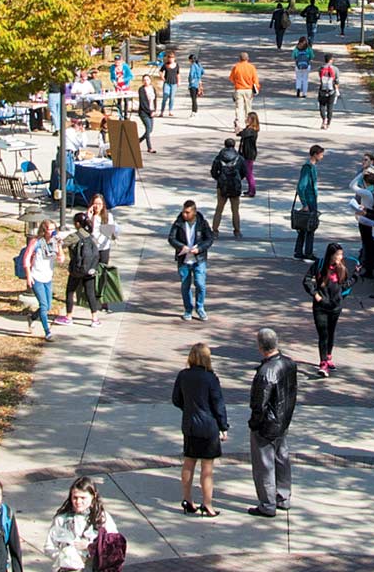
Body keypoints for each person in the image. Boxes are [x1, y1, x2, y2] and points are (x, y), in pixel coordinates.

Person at [172, 342, 230, 518]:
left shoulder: (183, 375)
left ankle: (187, 499)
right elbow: (218, 404)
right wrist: (223, 426)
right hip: (208, 426)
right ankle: (207, 503)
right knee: (207, 467)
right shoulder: (210, 378)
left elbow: (176, 399)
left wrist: (188, 409)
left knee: (189, 461)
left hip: (189, 424)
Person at [248, 328, 298, 517]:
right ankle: (283, 497)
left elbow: (259, 404)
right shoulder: (289, 364)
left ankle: (267, 504)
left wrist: (255, 423)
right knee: (281, 459)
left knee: (264, 465)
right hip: (283, 421)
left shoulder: (266, 372)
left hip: (267, 425)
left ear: (261, 347)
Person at [303, 242, 360, 376]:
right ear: (332, 255)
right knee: (323, 335)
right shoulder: (320, 265)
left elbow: (344, 286)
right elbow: (306, 280)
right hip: (320, 306)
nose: (341, 257)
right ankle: (323, 363)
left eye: (341, 254)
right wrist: (316, 295)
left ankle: (328, 356)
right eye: (338, 254)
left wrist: (355, 276)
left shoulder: (342, 268)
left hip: (335, 307)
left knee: (331, 332)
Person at [43, 477, 118, 572]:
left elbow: (115, 545)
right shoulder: (61, 519)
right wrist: (64, 556)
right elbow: (49, 546)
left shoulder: (102, 518)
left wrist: (90, 546)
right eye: (75, 497)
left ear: (93, 496)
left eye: (83, 498)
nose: (78, 502)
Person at [167, 200, 214, 321]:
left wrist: (199, 249)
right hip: (184, 259)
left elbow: (209, 239)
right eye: (183, 212)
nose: (184, 214)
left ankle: (200, 308)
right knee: (185, 285)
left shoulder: (202, 223)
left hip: (199, 259)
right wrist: (181, 247)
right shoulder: (178, 223)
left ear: (194, 212)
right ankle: (188, 309)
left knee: (200, 284)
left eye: (187, 212)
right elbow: (171, 238)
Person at [24, 219, 65, 342]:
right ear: (44, 230)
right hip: (36, 276)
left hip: (48, 277)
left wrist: (59, 246)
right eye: (49, 229)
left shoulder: (54, 242)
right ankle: (47, 332)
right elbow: (26, 259)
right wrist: (28, 276)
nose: (51, 232)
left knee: (48, 306)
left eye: (54, 229)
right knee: (43, 305)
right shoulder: (36, 242)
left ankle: (32, 317)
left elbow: (61, 259)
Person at [58, 212, 101, 327]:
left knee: (70, 291)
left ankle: (68, 317)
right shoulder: (91, 236)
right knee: (90, 293)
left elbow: (61, 244)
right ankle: (94, 319)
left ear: (77, 224)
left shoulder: (74, 236)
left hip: (76, 269)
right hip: (90, 269)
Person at [210, 138, 247, 239]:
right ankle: (237, 231)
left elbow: (213, 171)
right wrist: (238, 179)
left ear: (225, 145)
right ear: (234, 145)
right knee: (235, 210)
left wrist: (219, 179)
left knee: (219, 209)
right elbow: (244, 172)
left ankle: (215, 231)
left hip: (222, 186)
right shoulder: (239, 158)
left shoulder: (219, 157)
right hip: (235, 185)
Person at [87, 193, 117, 313]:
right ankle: (92, 298)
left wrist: (110, 231)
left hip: (104, 248)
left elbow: (111, 233)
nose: (97, 206)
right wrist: (89, 217)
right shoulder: (89, 216)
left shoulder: (108, 216)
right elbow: (85, 231)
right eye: (95, 204)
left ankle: (104, 301)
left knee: (103, 273)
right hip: (92, 248)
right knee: (91, 273)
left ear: (103, 205)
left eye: (99, 204)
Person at [349, 155, 374, 278]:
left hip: (366, 221)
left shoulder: (367, 192)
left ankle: (369, 268)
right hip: (372, 219)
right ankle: (371, 265)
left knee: (367, 244)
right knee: (371, 244)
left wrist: (361, 174)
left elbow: (352, 185)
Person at [293, 144, 324, 261]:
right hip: (309, 201)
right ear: (315, 154)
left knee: (304, 227)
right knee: (310, 227)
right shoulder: (308, 167)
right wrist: (304, 204)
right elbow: (301, 187)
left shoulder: (311, 167)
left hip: (312, 200)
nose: (322, 156)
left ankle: (299, 251)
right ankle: (307, 252)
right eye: (321, 154)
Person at [229, 52, 260, 131]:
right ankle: (249, 124)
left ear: (240, 58)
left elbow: (231, 78)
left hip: (239, 89)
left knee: (239, 108)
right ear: (247, 58)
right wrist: (257, 88)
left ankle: (238, 124)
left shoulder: (236, 67)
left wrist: (237, 82)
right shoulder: (251, 67)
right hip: (249, 89)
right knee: (248, 107)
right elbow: (255, 80)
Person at [237, 112, 260, 197]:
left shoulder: (252, 130)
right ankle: (250, 190)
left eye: (248, 118)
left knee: (249, 173)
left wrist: (239, 129)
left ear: (252, 119)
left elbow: (242, 134)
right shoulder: (249, 129)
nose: (246, 119)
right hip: (245, 153)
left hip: (249, 154)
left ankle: (252, 191)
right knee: (246, 173)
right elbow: (239, 133)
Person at [316, 54, 340, 130]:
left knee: (322, 105)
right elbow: (337, 81)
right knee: (330, 107)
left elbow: (320, 77)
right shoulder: (335, 69)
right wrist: (337, 89)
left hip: (322, 90)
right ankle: (328, 124)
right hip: (331, 90)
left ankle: (324, 119)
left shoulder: (321, 68)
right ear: (330, 60)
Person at [137, 75, 157, 154]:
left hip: (152, 111)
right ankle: (150, 147)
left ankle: (138, 141)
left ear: (150, 80)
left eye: (147, 80)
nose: (146, 81)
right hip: (144, 112)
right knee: (148, 129)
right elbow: (143, 103)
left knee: (150, 130)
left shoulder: (152, 88)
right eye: (144, 80)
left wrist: (154, 110)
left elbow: (155, 100)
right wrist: (150, 112)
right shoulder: (141, 90)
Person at [159, 51, 179, 117]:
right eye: (169, 58)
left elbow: (178, 74)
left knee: (172, 97)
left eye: (172, 58)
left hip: (174, 83)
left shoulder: (177, 65)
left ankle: (170, 111)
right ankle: (162, 111)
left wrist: (179, 81)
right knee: (165, 96)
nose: (171, 59)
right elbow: (160, 71)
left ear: (174, 58)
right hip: (167, 83)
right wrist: (162, 77)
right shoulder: (165, 65)